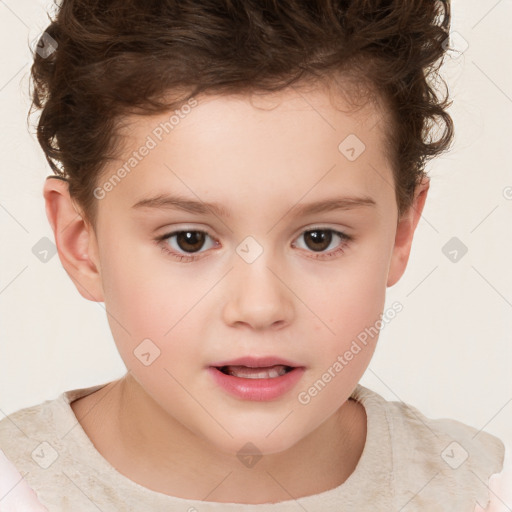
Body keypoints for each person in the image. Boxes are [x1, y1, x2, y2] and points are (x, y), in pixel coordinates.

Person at [0, 0, 506, 510]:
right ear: (80, 243)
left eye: (319, 238)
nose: (260, 308)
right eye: (189, 240)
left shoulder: (477, 491)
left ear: (401, 233)